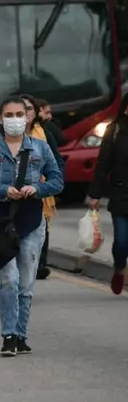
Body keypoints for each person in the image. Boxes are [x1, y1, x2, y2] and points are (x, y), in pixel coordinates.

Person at [0, 96, 63, 357]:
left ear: (27, 117)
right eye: (8, 115)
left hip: (31, 222)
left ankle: (21, 335)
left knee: (25, 284)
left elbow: (57, 180)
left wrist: (38, 188)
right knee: (8, 280)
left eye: (18, 114)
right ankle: (8, 335)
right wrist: (2, 190)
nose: (14, 120)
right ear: (0, 119)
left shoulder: (40, 149)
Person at [86, 92, 128, 295]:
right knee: (121, 241)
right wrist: (95, 194)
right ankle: (119, 268)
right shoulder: (114, 130)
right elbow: (103, 165)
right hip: (121, 194)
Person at [20, 94, 65, 281]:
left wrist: (54, 182)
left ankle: (40, 264)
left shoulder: (45, 133)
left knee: (41, 227)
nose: (25, 113)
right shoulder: (1, 136)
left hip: (41, 191)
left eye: (29, 109)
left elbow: (57, 161)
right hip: (12, 194)